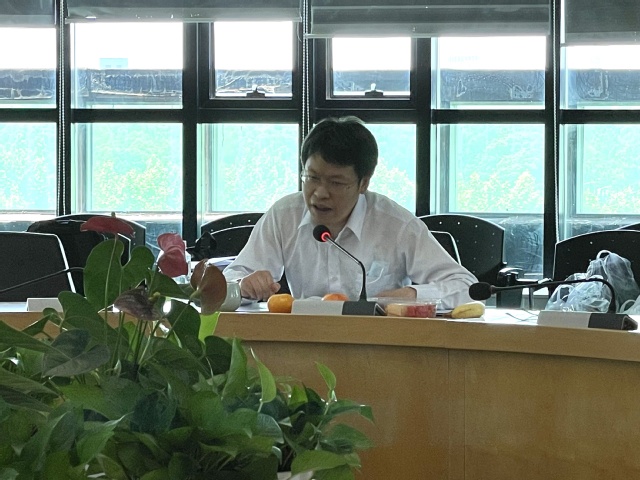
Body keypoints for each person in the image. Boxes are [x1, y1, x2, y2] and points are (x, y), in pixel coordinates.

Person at [223, 116, 477, 309]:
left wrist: (412, 295)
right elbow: (230, 280)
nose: (320, 193)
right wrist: (244, 286)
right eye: (312, 178)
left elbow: (465, 286)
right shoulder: (284, 215)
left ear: (363, 183)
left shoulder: (396, 224)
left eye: (336, 182)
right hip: (306, 340)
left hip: (380, 344)